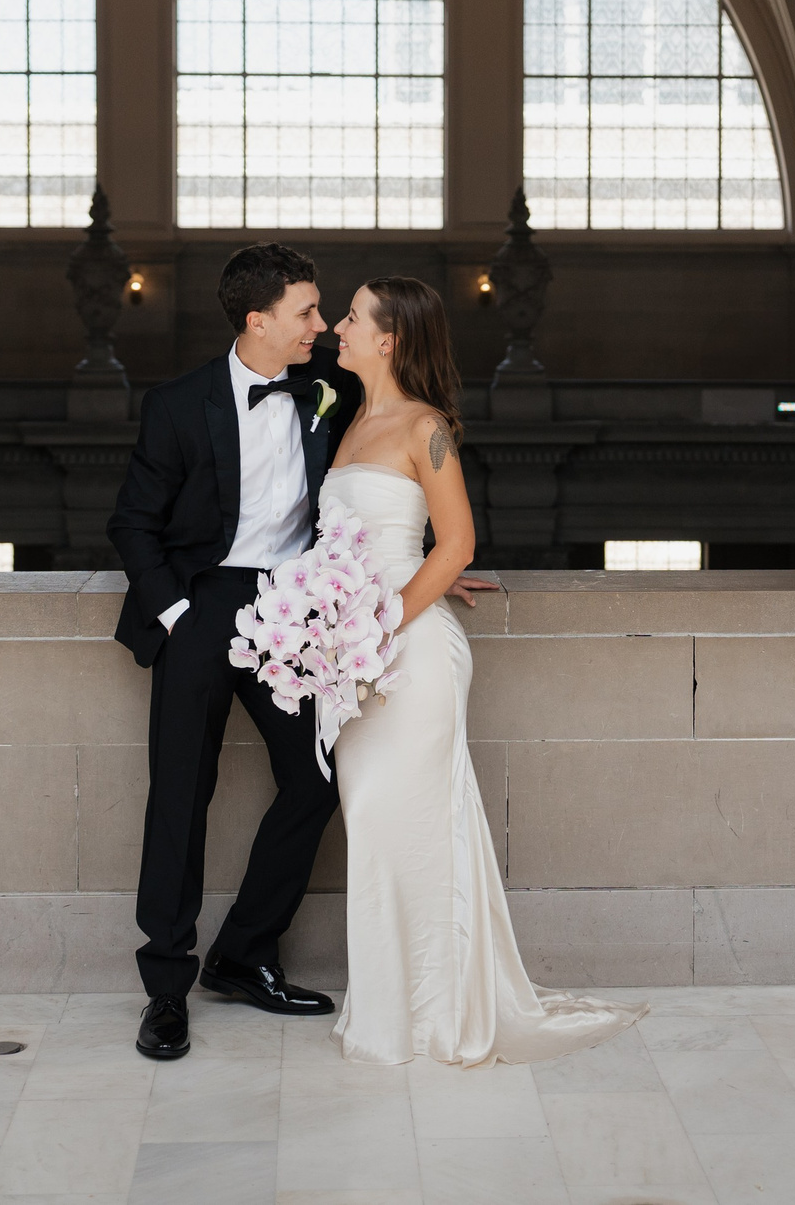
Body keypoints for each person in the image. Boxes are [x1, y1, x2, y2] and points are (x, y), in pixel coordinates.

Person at [323, 276, 645, 1065]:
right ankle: (391, 1008)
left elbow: (456, 543)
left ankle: (438, 1014)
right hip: (358, 652)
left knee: (416, 826)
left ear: (390, 336)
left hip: (410, 653)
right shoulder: (347, 415)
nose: (338, 324)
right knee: (371, 823)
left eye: (354, 317)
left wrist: (386, 617)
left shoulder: (424, 425)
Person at [107, 244, 361, 1062]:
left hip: (291, 607)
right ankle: (166, 991)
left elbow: (380, 477)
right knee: (181, 791)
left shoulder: (336, 393)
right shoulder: (178, 403)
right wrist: (181, 614)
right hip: (201, 602)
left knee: (317, 777)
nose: (320, 327)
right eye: (307, 312)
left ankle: (244, 951)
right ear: (258, 319)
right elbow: (132, 523)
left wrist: (438, 563)